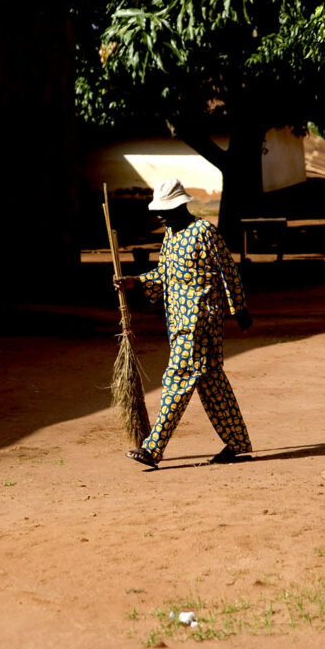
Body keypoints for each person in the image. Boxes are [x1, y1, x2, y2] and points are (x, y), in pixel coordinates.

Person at [114, 178, 254, 469]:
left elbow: (227, 268)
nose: (160, 215)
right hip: (178, 322)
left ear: (181, 205)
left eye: (165, 209)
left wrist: (238, 307)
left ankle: (153, 448)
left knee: (176, 379)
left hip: (200, 320)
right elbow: (164, 274)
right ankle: (238, 443)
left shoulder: (203, 231)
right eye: (158, 210)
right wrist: (135, 282)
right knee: (212, 382)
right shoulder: (170, 235)